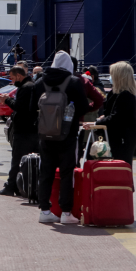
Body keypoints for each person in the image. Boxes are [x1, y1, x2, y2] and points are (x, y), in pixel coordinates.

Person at [29, 51, 89, 224]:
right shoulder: (75, 82)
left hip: (45, 135)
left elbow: (32, 107)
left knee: (45, 172)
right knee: (66, 173)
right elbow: (84, 107)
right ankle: (66, 212)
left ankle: (45, 210)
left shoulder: (39, 82)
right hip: (67, 135)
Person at [91, 61, 136, 165]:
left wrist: (97, 123)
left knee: (120, 169)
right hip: (115, 138)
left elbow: (116, 118)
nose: (110, 77)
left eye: (112, 74)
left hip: (122, 140)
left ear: (119, 77)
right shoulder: (115, 93)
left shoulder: (125, 95)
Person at [0, 65, 37, 196]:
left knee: (17, 159)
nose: (12, 81)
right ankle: (22, 185)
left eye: (13, 78)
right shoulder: (32, 86)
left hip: (23, 130)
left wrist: (7, 100)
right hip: (32, 129)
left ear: (19, 76)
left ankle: (11, 186)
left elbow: (20, 107)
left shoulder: (25, 88)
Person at [71, 55, 105, 122]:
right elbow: (100, 100)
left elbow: (99, 100)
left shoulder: (85, 84)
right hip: (85, 121)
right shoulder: (85, 83)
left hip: (85, 121)